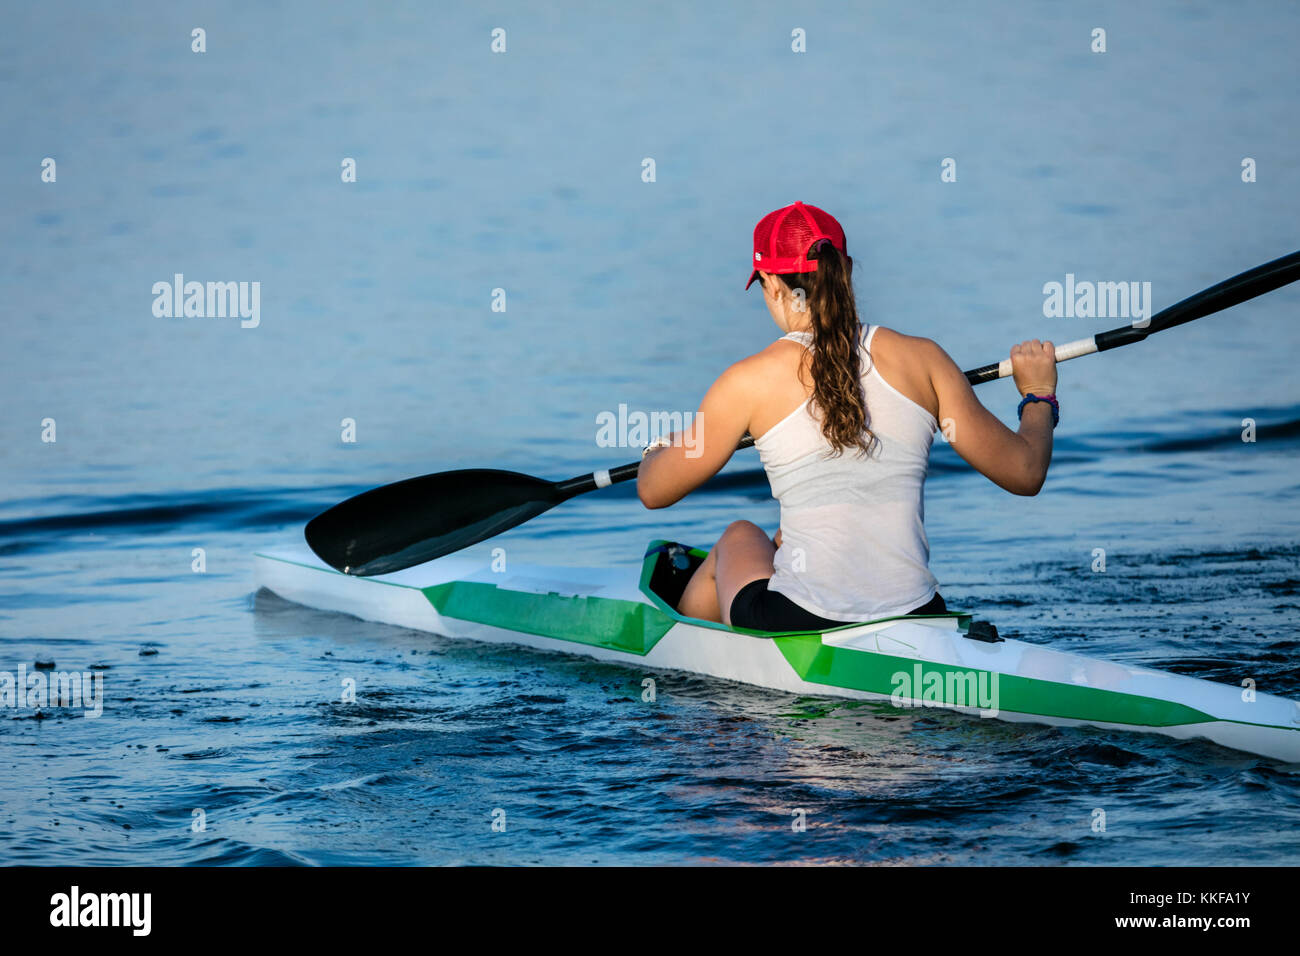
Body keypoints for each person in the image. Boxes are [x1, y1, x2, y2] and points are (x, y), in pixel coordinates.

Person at [637, 201, 1058, 631]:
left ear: (769, 282)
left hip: (798, 621)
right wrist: (1039, 395)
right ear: (847, 270)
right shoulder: (924, 359)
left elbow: (654, 491)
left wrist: (660, 449)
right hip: (920, 615)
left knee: (740, 535)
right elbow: (1024, 472)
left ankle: (690, 659)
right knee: (784, 540)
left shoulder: (748, 381)